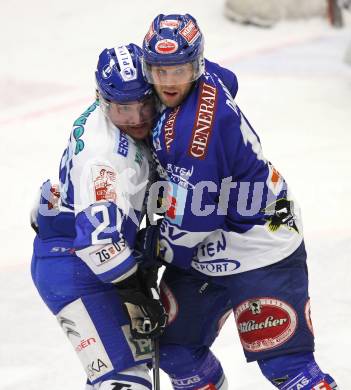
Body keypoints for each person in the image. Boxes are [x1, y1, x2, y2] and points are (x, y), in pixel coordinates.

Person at [137, 13, 339, 389]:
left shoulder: (193, 136)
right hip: (212, 246)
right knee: (175, 348)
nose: (168, 82)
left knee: (286, 365)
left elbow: (197, 218)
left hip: (261, 246)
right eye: (159, 71)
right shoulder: (207, 77)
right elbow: (231, 79)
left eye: (178, 71)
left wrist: (155, 250)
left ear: (195, 65)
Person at [30, 43, 167, 390]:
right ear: (103, 99)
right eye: (124, 109)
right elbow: (97, 241)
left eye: (144, 104)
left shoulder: (106, 118)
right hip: (75, 267)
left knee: (126, 369)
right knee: (125, 380)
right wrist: (134, 293)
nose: (137, 119)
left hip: (79, 257)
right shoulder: (103, 156)